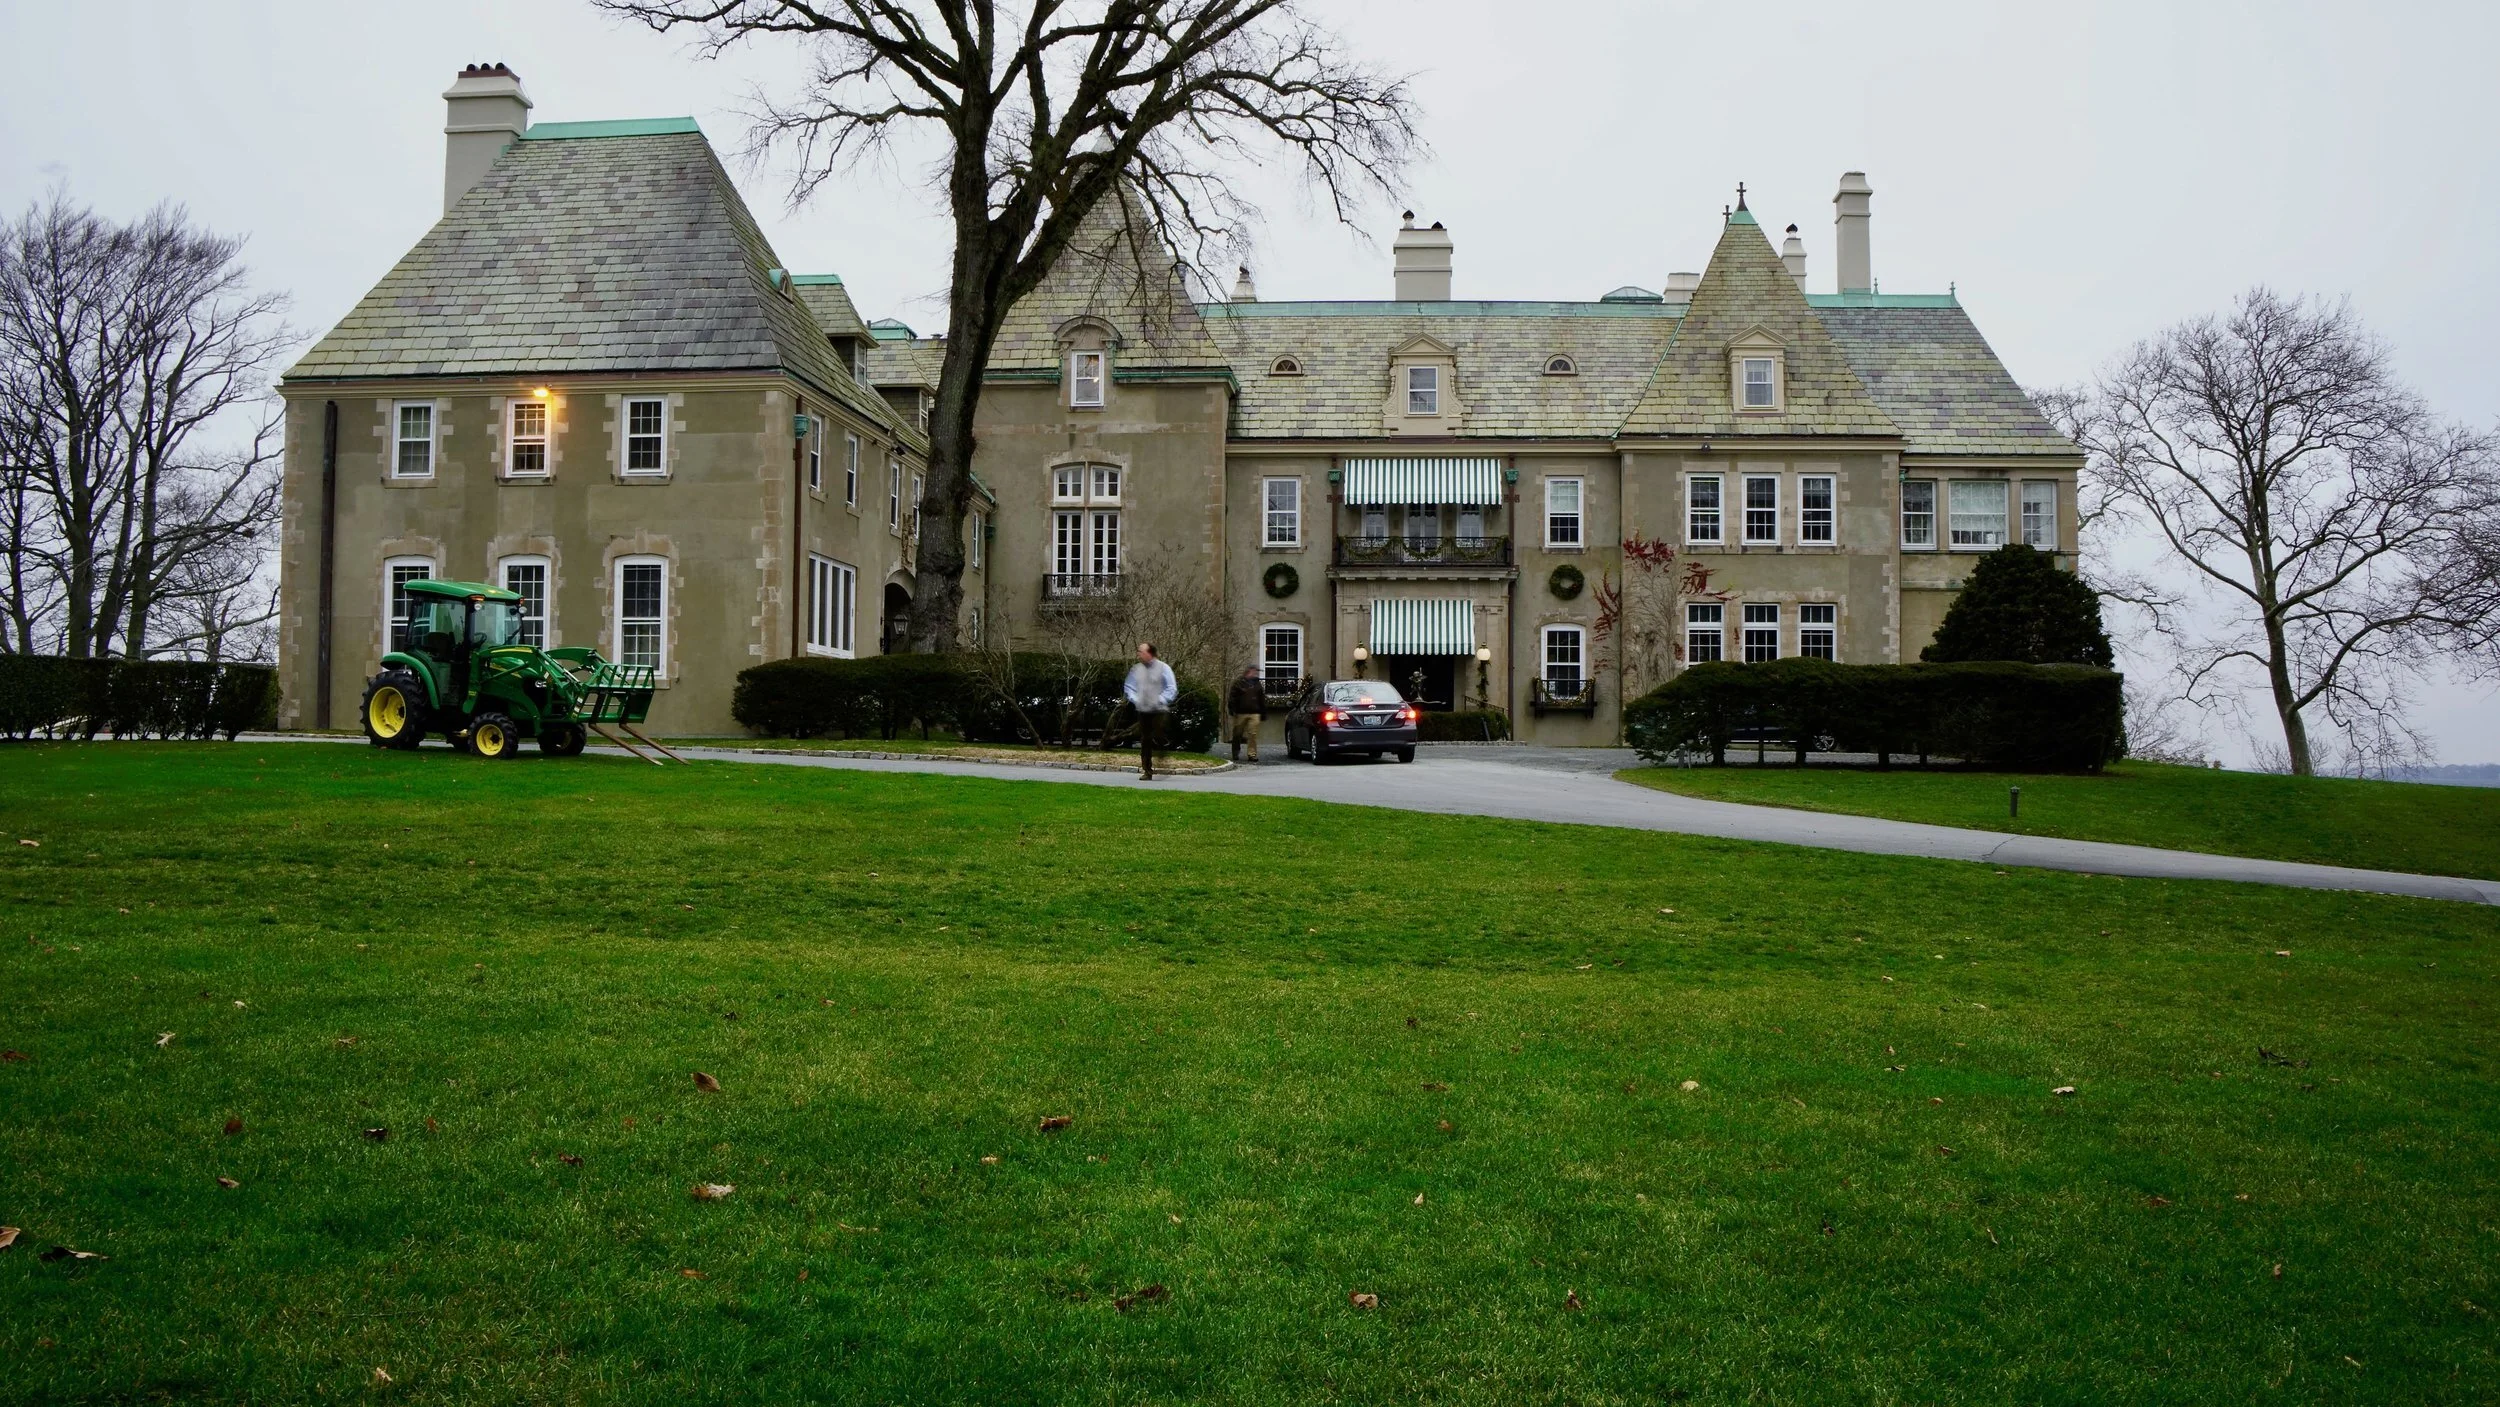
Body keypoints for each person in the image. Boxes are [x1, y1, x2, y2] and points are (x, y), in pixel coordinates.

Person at [1122, 641, 1178, 779]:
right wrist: (1136, 699)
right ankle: (1147, 770)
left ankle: (1162, 753)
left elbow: (1171, 688)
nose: (1138, 654)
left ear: (1149, 653)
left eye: (1141, 651)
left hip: (1159, 709)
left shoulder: (1163, 668)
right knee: (1145, 740)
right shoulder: (1137, 669)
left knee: (1158, 735)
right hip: (1143, 709)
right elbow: (1129, 687)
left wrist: (1160, 699)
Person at [1225, 664, 1267, 763]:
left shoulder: (1257, 684)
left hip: (1254, 713)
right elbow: (1232, 697)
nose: (1256, 673)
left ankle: (1252, 754)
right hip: (1241, 712)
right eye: (1255, 671)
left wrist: (1263, 712)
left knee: (1252, 734)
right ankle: (1235, 752)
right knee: (1237, 733)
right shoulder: (1239, 683)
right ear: (1249, 671)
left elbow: (1262, 699)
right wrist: (1232, 709)